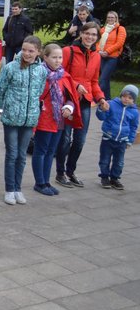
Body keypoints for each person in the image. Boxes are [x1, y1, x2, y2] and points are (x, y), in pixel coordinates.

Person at [0, 36, 48, 205]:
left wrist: (33, 110)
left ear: (38, 52)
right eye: (24, 49)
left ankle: (18, 188)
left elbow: (39, 91)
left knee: (22, 156)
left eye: (31, 51)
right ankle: (9, 189)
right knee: (12, 154)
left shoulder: (41, 70)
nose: (26, 53)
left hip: (29, 119)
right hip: (11, 118)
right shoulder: (11, 67)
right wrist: (3, 108)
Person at [55, 22, 109, 188]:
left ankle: (71, 171)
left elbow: (93, 81)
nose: (90, 37)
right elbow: (59, 73)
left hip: (85, 103)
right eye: (87, 33)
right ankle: (60, 173)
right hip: (69, 101)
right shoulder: (68, 51)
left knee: (80, 140)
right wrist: (76, 85)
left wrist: (100, 98)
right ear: (81, 33)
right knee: (65, 139)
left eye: (94, 35)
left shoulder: (96, 56)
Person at [32, 44, 82, 196]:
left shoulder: (63, 76)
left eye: (60, 57)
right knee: (41, 151)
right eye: (54, 57)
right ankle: (39, 182)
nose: (58, 60)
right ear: (45, 57)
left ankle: (46, 181)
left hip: (59, 120)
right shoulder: (39, 74)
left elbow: (70, 97)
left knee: (51, 151)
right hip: (44, 119)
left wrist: (69, 107)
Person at [96, 85, 138, 190]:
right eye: (124, 96)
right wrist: (101, 109)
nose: (126, 99)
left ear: (133, 100)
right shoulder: (111, 104)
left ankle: (114, 178)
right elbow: (101, 117)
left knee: (119, 162)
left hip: (122, 141)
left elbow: (133, 127)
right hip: (108, 138)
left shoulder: (134, 112)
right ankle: (104, 177)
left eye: (130, 98)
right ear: (121, 96)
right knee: (105, 160)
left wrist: (130, 141)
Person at [98, 11, 127, 100]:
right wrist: (99, 51)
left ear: (116, 18)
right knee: (105, 79)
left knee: (103, 79)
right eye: (109, 17)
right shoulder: (103, 29)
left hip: (112, 57)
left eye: (112, 17)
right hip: (102, 56)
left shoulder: (120, 29)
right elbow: (97, 42)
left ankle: (96, 98)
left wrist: (107, 51)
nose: (110, 19)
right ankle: (108, 100)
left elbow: (119, 43)